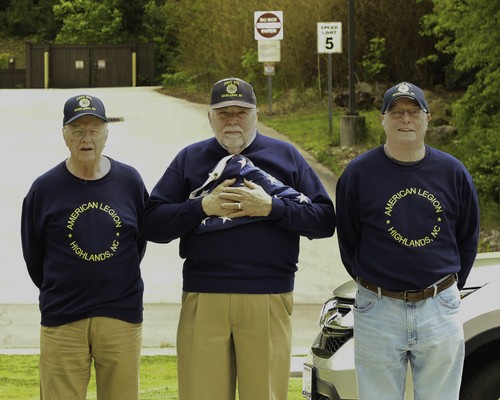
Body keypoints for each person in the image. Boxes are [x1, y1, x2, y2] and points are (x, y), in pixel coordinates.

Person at [143, 77, 335, 400]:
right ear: (209, 117)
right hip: (204, 296)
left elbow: (324, 220)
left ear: (256, 115)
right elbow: (152, 223)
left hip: (268, 297)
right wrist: (201, 206)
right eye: (223, 113)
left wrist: (271, 207)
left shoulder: (286, 156)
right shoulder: (189, 159)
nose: (232, 120)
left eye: (241, 112)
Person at [335, 82, 480, 400]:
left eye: (414, 112)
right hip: (378, 309)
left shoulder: (452, 172)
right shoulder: (358, 174)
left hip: (439, 307)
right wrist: (375, 282)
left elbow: (467, 238)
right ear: (382, 120)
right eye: (397, 112)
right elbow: (348, 240)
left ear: (427, 118)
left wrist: (445, 290)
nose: (406, 120)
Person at [21, 94, 148, 400]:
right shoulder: (44, 188)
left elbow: (138, 242)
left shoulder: (129, 181)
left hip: (120, 314)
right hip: (64, 315)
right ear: (65, 135)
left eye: (94, 129)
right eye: (77, 130)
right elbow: (33, 253)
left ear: (106, 133)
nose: (86, 138)